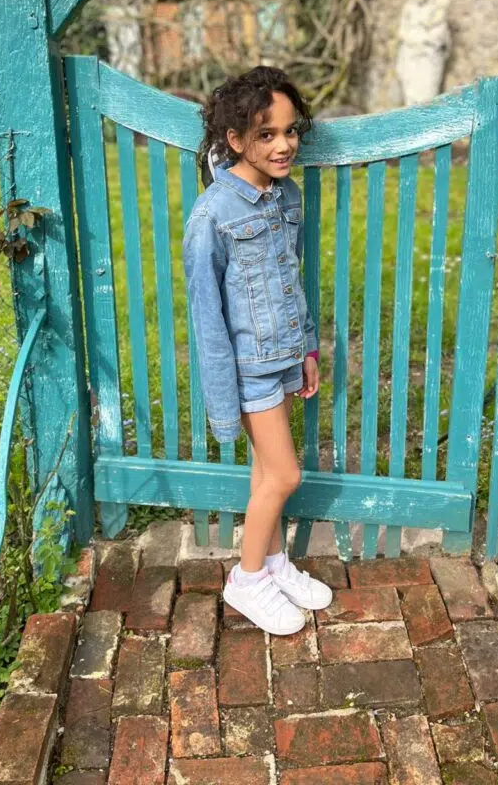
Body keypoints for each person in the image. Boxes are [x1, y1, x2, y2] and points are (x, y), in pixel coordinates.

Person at [182, 66, 333, 635]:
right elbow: (207, 320)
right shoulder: (212, 216)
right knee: (285, 476)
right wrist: (223, 404)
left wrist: (307, 349)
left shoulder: (286, 195)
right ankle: (246, 580)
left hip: (284, 355)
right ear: (235, 139)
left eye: (290, 131)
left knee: (267, 471)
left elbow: (292, 280)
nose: (283, 145)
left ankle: (273, 564)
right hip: (249, 370)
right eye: (266, 134)